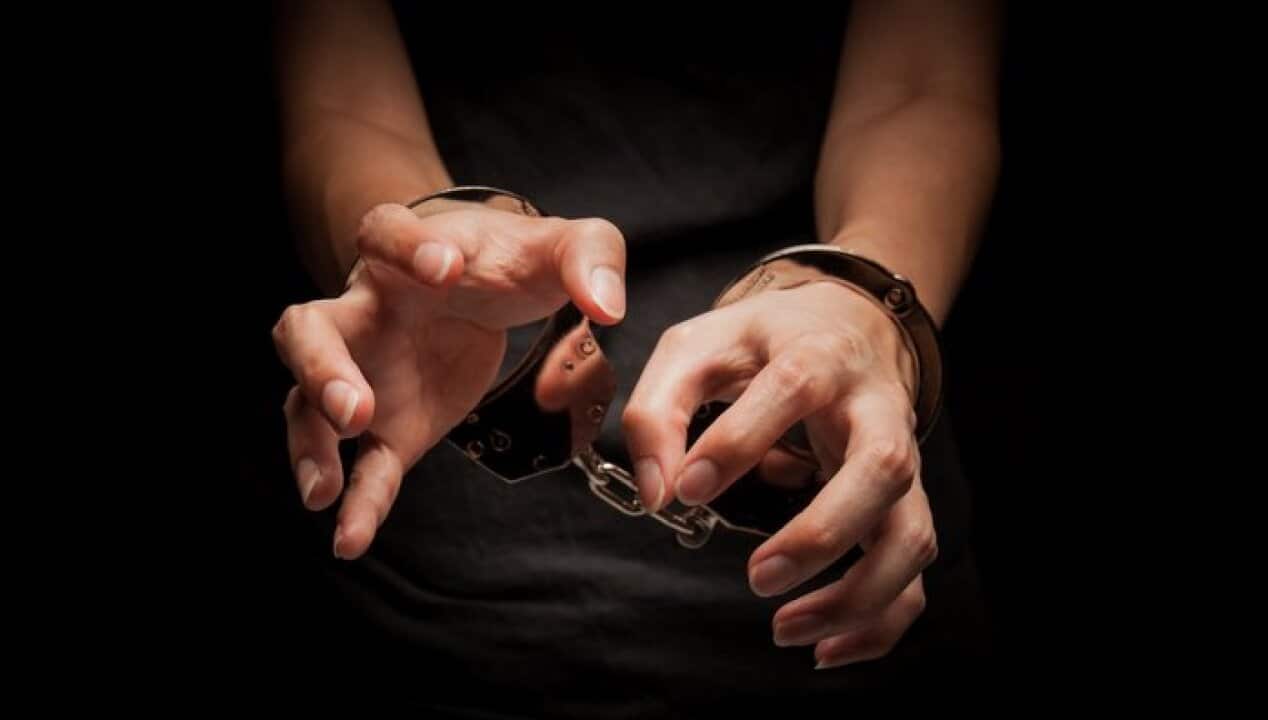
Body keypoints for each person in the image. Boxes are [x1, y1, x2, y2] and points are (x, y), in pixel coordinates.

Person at [270, 0, 1002, 712]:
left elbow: (922, 86)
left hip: (860, 518)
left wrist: (864, 301)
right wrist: (415, 251)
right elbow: (342, 98)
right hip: (448, 582)